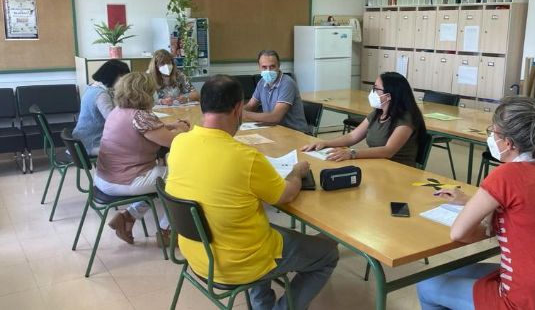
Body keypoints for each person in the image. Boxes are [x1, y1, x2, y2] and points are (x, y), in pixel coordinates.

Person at [166, 75, 339, 310]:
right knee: (327, 253)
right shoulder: (245, 157)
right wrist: (297, 172)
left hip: (198, 253)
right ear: (239, 108)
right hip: (240, 260)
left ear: (202, 105)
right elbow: (285, 195)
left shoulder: (179, 143)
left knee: (252, 224)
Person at [416, 96, 535, 310]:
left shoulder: (507, 175)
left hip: (529, 301)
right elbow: (530, 209)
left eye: (493, 132)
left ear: (508, 143)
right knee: (444, 273)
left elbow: (458, 233)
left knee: (426, 285)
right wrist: (471, 203)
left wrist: (483, 223)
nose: (490, 138)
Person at [96, 72, 190, 245]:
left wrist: (172, 126)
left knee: (161, 177)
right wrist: (182, 131)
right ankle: (166, 231)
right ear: (144, 92)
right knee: (182, 177)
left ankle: (128, 218)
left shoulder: (118, 111)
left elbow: (150, 130)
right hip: (124, 179)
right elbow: (173, 141)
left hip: (106, 177)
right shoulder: (140, 116)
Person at [302, 72, 427, 167]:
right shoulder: (377, 114)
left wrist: (352, 154)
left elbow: (388, 151)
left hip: (398, 169)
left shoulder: (406, 119)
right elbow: (352, 137)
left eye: (376, 89)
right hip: (377, 165)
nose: (372, 92)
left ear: (388, 96)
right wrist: (325, 143)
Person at [243, 50, 309, 133]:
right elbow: (251, 106)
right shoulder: (262, 82)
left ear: (279, 66)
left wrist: (245, 115)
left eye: (272, 66)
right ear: (259, 67)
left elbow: (275, 117)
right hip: (275, 130)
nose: (268, 70)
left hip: (295, 133)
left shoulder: (287, 83)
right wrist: (236, 112)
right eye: (264, 67)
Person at [72, 59, 130, 155]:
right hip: (91, 143)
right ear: (114, 76)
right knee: (131, 146)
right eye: (123, 77)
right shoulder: (101, 94)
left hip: (81, 139)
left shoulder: (92, 87)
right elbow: (113, 120)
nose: (125, 81)